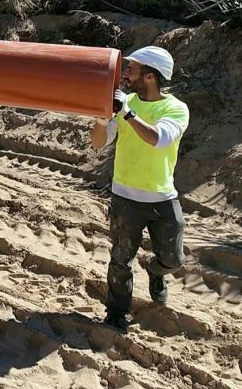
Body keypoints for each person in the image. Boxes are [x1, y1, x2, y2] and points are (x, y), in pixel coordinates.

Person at [90, 46, 190, 333]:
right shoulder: (124, 103)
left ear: (150, 77)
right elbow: (98, 143)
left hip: (162, 197)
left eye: (132, 70)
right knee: (121, 260)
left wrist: (128, 113)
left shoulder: (175, 109)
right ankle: (116, 314)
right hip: (125, 197)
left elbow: (158, 139)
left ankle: (155, 270)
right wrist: (102, 119)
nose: (125, 75)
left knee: (173, 259)